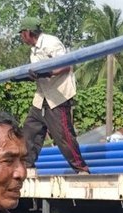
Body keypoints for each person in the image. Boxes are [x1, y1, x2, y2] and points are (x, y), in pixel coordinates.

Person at [16, 15, 90, 173]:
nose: (22, 37)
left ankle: (81, 169)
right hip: (42, 97)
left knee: (63, 136)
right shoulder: (34, 51)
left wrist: (47, 72)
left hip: (58, 96)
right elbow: (36, 74)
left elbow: (66, 65)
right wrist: (23, 77)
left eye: (22, 33)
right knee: (30, 132)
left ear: (28, 32)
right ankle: (27, 167)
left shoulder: (51, 43)